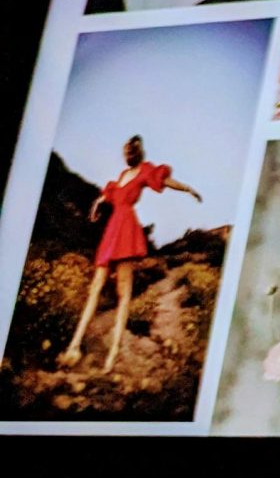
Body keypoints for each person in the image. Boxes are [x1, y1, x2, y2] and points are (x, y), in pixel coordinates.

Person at [61, 135, 200, 371]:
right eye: (125, 153)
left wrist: (188, 189)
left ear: (137, 153)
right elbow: (109, 194)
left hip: (126, 229)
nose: (126, 157)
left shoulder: (145, 171)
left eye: (129, 153)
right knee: (95, 288)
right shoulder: (122, 177)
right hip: (113, 229)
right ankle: (73, 346)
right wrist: (97, 204)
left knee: (123, 291)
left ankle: (113, 353)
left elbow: (165, 181)